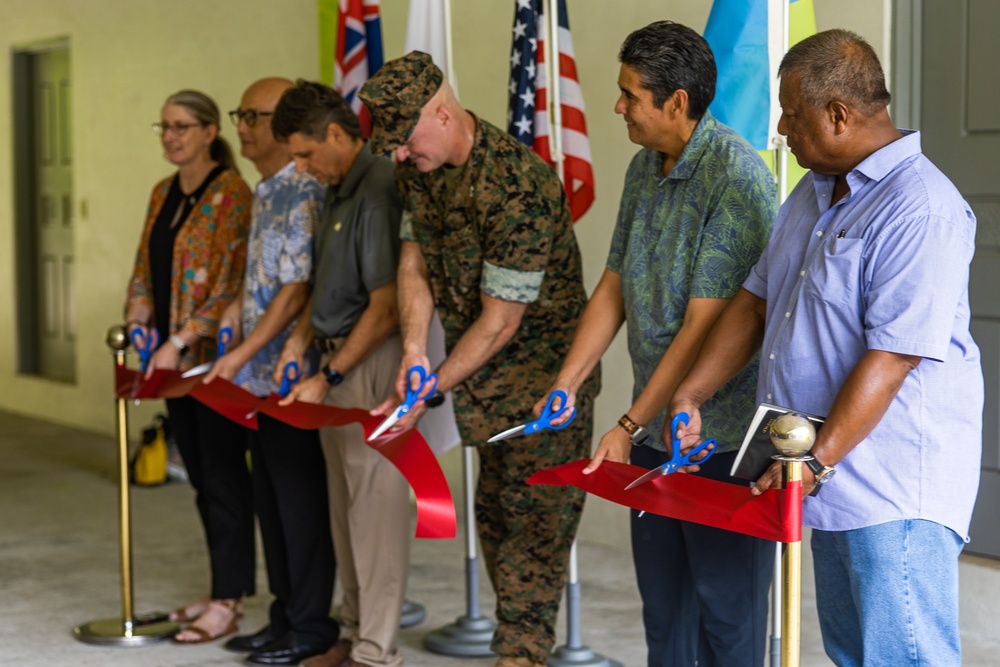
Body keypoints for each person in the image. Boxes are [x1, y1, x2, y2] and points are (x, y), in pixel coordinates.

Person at [671, 29, 982, 667]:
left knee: (903, 656)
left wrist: (816, 462)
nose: (782, 128)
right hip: (826, 475)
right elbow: (755, 303)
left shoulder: (919, 209)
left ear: (837, 115)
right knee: (850, 651)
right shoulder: (812, 194)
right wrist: (691, 392)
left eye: (791, 112)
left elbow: (893, 357)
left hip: (891, 484)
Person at [536, 21, 777, 667]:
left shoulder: (738, 178)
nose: (618, 107)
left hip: (721, 436)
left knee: (727, 613)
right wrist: (568, 379)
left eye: (630, 94)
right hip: (653, 433)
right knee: (664, 611)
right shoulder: (645, 167)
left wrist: (625, 420)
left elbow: (703, 328)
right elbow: (613, 284)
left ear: (676, 102)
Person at [360, 52, 600, 667]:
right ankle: (516, 650)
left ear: (442, 113)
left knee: (534, 533)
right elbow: (412, 258)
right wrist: (415, 348)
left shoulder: (515, 183)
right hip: (482, 389)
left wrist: (426, 390)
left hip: (543, 387)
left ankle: (521, 656)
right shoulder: (422, 167)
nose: (399, 157)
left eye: (406, 141)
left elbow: (500, 322)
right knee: (494, 521)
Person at [270, 80, 408, 667]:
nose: (300, 168)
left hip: (365, 364)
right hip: (334, 361)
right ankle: (351, 635)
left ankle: (376, 650)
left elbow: (384, 307)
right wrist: (298, 344)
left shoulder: (376, 186)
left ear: (335, 133)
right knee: (344, 506)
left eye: (304, 153)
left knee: (374, 512)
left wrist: (327, 378)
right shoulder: (337, 187)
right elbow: (325, 286)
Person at [202, 78, 338, 665]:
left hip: (290, 374)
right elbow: (259, 280)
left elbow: (294, 291)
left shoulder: (304, 189)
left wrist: (237, 354)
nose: (245, 127)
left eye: (257, 116)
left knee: (299, 501)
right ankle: (284, 615)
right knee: (269, 498)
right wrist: (234, 310)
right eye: (243, 114)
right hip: (256, 376)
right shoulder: (266, 191)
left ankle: (310, 624)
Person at [123, 89, 254, 643]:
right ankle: (221, 586)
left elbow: (231, 285)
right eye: (164, 126)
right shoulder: (162, 192)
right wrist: (137, 315)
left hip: (213, 363)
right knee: (199, 475)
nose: (171, 136)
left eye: (181, 126)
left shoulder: (232, 195)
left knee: (223, 478)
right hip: (171, 363)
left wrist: (180, 338)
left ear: (208, 132)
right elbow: (143, 266)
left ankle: (229, 599)